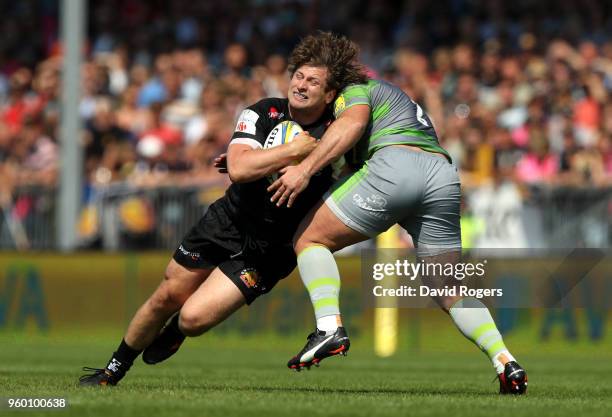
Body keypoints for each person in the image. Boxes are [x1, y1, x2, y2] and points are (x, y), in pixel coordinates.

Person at [79, 32, 366, 386]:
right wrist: (294, 153)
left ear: (330, 94)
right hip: (227, 222)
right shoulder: (263, 112)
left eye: (314, 81)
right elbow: (240, 169)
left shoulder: (337, 134)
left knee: (193, 319)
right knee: (167, 295)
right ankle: (111, 372)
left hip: (270, 251)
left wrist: (272, 158)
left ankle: (177, 331)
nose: (302, 86)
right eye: (299, 76)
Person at [268, 64, 528, 394]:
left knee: (309, 239)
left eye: (317, 81)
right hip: (442, 174)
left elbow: (353, 125)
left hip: (395, 168)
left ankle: (329, 326)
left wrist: (302, 170)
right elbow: (351, 162)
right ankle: (505, 360)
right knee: (448, 287)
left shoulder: (354, 91)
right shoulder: (392, 97)